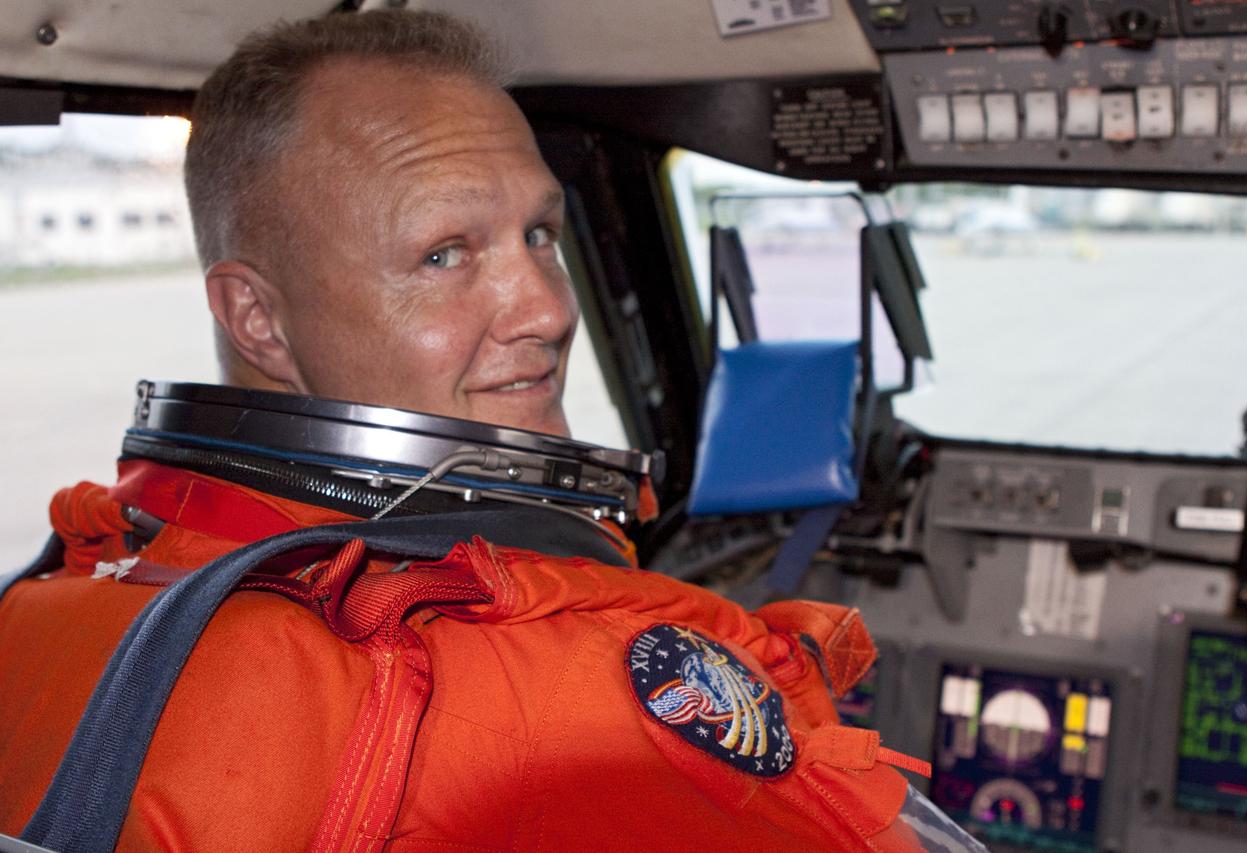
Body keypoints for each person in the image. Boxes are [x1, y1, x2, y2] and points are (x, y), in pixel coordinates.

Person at [0, 10, 979, 852]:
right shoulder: (577, 681)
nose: (547, 310)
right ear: (258, 319)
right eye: (443, 252)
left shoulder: (55, 589)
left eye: (541, 235)